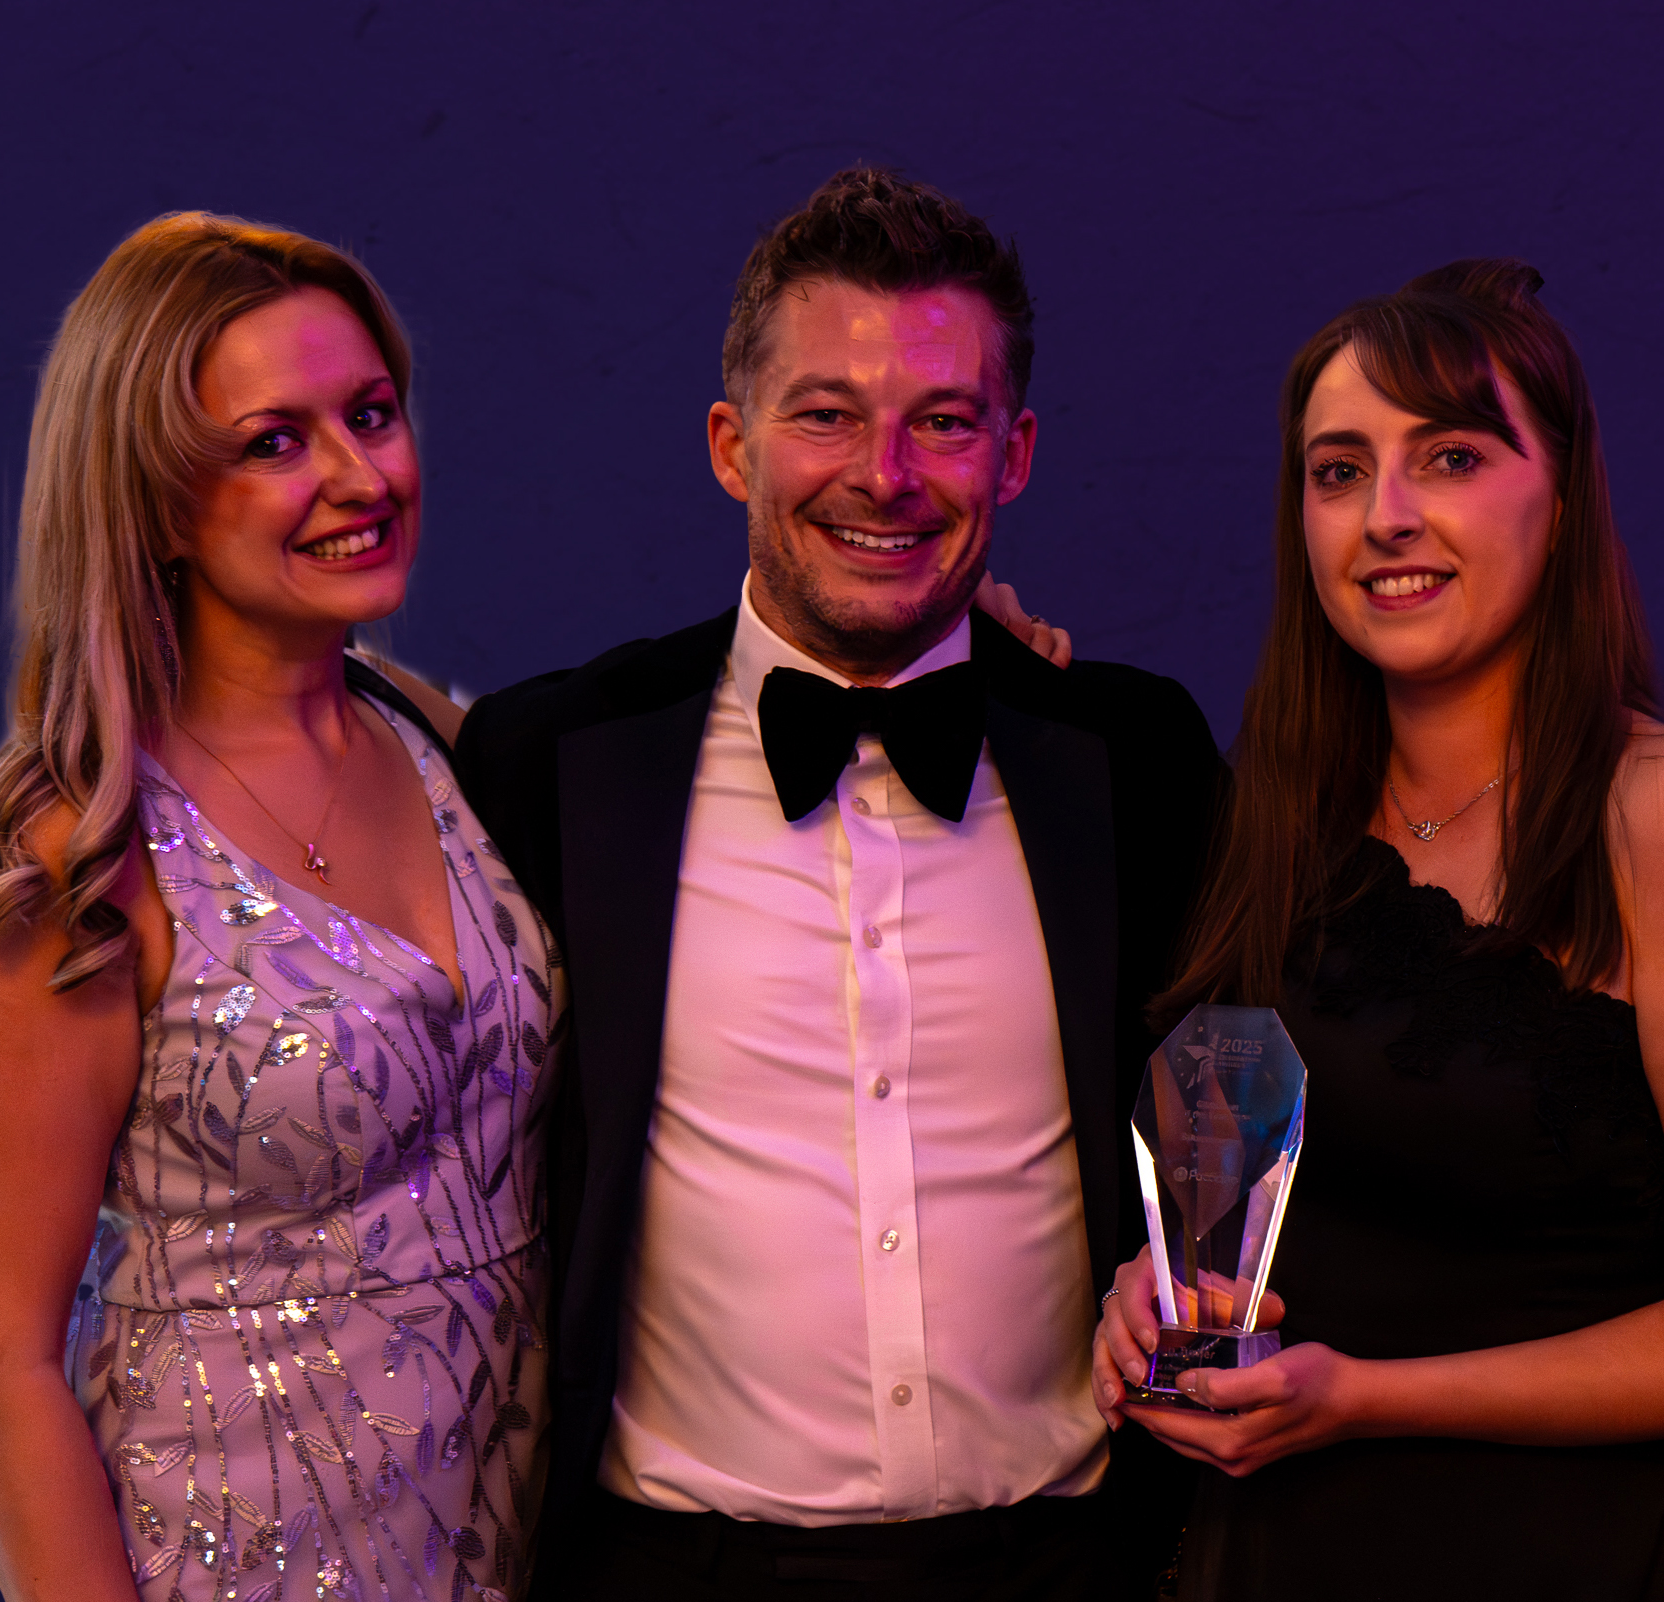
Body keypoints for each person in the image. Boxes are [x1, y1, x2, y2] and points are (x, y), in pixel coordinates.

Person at [451, 167, 1223, 1600]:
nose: (886, 474)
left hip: (1068, 1562)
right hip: (670, 1574)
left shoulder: (1134, 755)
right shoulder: (550, 763)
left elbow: (1233, 1105)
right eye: (826, 414)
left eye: (945, 421)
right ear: (731, 445)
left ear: (1015, 452)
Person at [1092, 259, 1664, 1598]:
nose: (1387, 515)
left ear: (1563, 492)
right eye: (1339, 471)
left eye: (1451, 457)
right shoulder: (1279, 816)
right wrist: (1151, 1296)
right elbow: (1249, 1188)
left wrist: (1368, 1399)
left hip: (1587, 1560)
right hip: (1282, 1556)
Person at [0, 214, 559, 1602]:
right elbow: (1, 1353)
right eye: (275, 442)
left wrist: (973, 656)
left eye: (371, 414)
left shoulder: (444, 740)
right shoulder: (88, 849)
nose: (363, 476)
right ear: (154, 502)